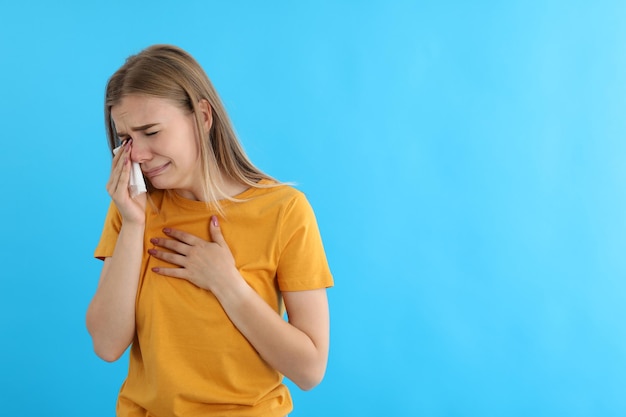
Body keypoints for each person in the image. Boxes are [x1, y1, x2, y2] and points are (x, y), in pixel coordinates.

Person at [86, 44, 334, 417]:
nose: (137, 154)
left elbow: (309, 369)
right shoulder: (132, 208)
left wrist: (226, 284)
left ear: (203, 116)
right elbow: (106, 345)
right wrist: (134, 224)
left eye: (151, 131)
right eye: (126, 139)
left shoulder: (284, 211)